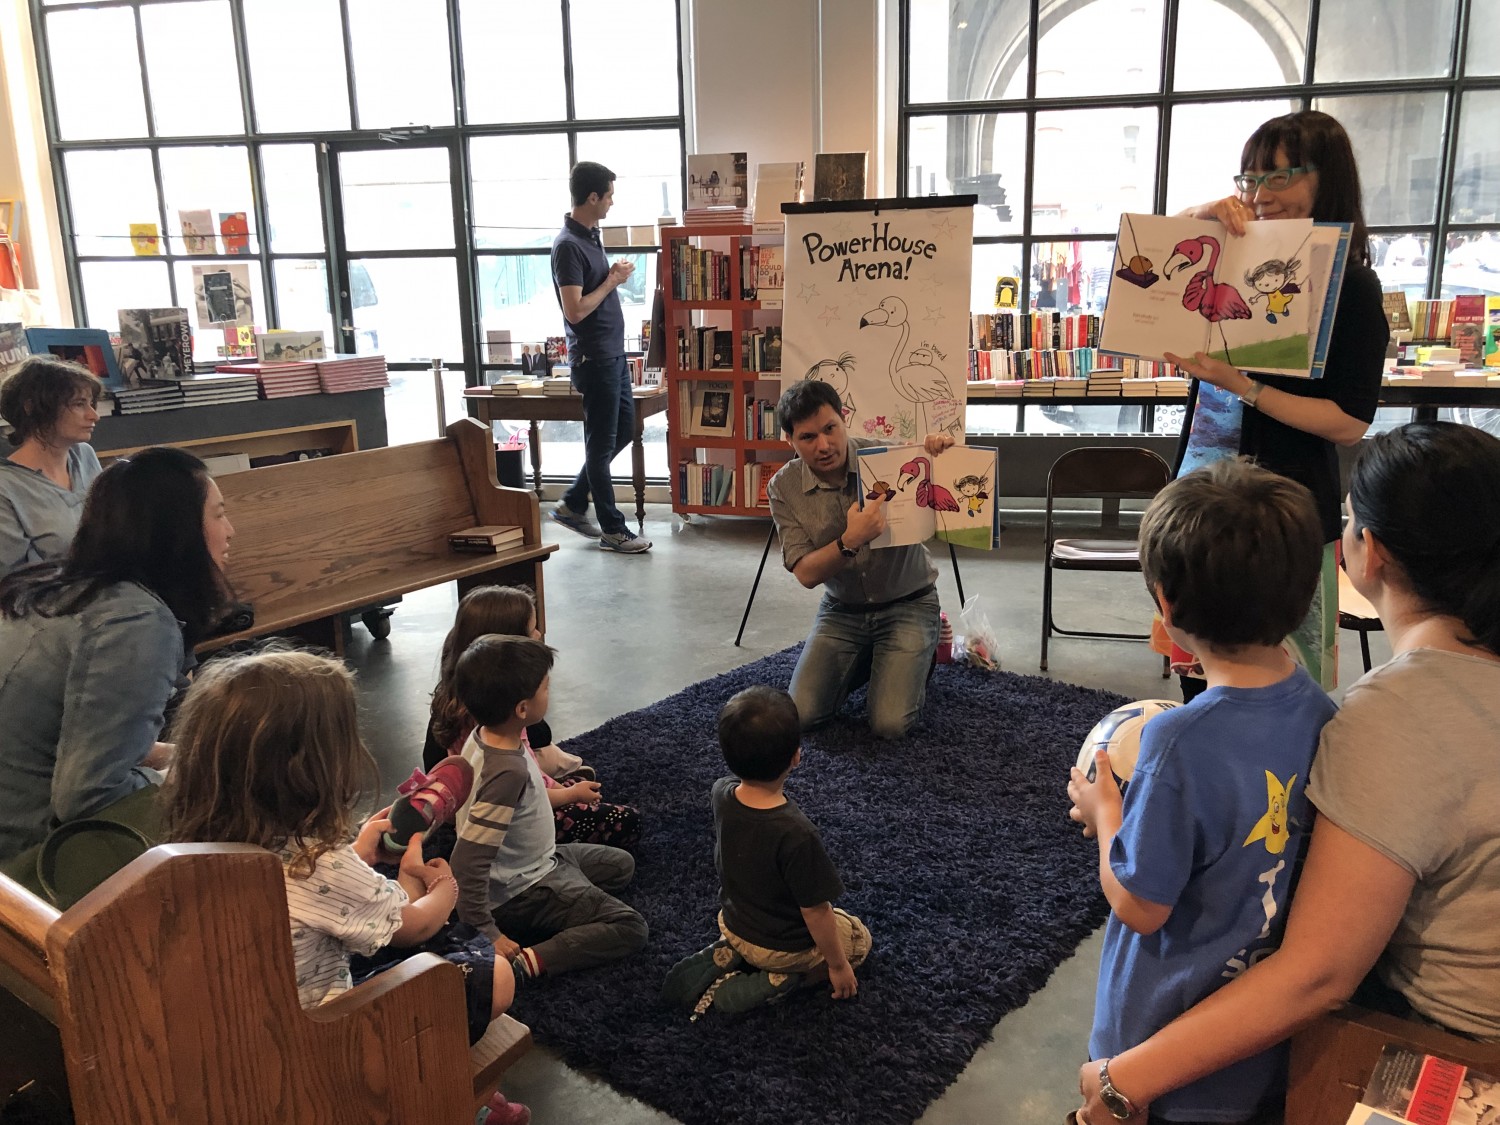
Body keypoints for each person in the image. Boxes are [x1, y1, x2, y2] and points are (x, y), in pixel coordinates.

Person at [1075, 422, 1500, 1125]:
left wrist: (1122, 1081)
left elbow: (1316, 974)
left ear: (1368, 552)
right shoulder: (1320, 709)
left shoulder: (1386, 719)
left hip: (1439, 1042)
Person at [1067, 457, 1334, 1125]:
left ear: (1165, 602)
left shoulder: (1176, 744)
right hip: (1254, 1045)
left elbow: (1141, 906)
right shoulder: (1322, 712)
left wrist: (1105, 813)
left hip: (1156, 1048)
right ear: (1306, 591)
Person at [159, 649, 530, 1125]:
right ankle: (449, 1095)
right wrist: (441, 886)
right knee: (493, 975)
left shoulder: (190, 850)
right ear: (311, 771)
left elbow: (309, 900)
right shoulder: (322, 865)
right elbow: (413, 926)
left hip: (248, 1025)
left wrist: (359, 852)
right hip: (324, 1041)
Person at [1160, 109, 1389, 699]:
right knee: (1202, 674)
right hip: (1200, 502)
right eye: (1251, 179)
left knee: (1283, 681)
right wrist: (1201, 215)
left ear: (1326, 179)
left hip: (1283, 518)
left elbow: (1348, 423)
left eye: (1280, 177)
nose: (1261, 195)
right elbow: (1150, 262)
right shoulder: (1231, 257)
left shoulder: (1351, 286)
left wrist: (1244, 386)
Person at [0, 446, 234, 862]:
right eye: (218, 515)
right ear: (177, 531)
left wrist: (171, 756)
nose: (230, 530)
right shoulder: (134, 621)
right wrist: (190, 779)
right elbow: (90, 795)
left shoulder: (56, 587)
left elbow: (71, 734)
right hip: (31, 861)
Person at [449, 635, 648, 983]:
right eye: (545, 687)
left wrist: (570, 795)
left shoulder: (486, 735)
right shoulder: (505, 772)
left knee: (621, 866)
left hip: (540, 860)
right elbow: (467, 861)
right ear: (522, 709)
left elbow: (529, 800)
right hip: (520, 891)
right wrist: (487, 931)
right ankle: (528, 962)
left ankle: (567, 899)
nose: (549, 692)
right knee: (631, 926)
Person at [662, 686, 871, 1017]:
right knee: (858, 938)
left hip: (732, 922)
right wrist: (838, 965)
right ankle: (785, 979)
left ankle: (732, 951)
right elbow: (815, 911)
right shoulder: (797, 833)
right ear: (796, 757)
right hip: (781, 947)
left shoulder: (720, 792)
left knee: (811, 924)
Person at [766, 378, 951, 739]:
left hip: (909, 602)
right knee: (801, 715)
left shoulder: (887, 459)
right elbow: (805, 574)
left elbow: (945, 483)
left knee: (889, 725)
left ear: (844, 418)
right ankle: (878, 657)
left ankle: (919, 651)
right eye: (807, 437)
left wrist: (939, 452)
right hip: (842, 609)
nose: (824, 445)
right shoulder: (783, 487)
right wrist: (849, 541)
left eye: (830, 428)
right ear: (789, 440)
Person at [425, 584, 641, 852]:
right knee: (627, 821)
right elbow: (528, 793)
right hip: (513, 821)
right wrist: (568, 795)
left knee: (576, 778)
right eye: (532, 630)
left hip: (482, 799)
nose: (539, 634)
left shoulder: (471, 698)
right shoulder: (501, 733)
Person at [548, 160, 651, 554]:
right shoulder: (567, 246)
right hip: (594, 360)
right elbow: (574, 311)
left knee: (624, 430)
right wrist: (613, 280)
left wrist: (611, 276)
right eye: (608, 196)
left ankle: (574, 502)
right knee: (601, 442)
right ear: (592, 197)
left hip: (613, 355)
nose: (611, 202)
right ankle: (613, 529)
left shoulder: (590, 236)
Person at [0, 356, 104, 575]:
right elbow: (13, 582)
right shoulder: (6, 487)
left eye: (91, 403)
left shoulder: (84, 456)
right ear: (32, 407)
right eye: (79, 404)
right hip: (59, 595)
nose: (94, 415)